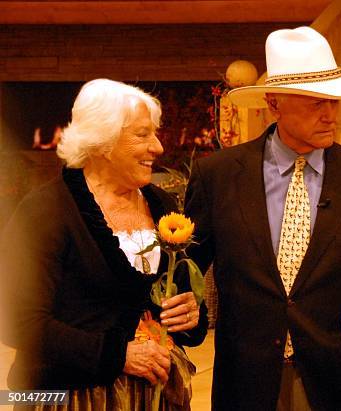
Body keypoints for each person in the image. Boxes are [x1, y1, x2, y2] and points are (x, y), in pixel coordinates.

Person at [185, 26, 341, 410]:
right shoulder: (218, 176)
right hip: (245, 385)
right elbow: (187, 272)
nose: (329, 114)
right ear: (274, 104)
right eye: (314, 102)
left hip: (340, 385)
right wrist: (189, 317)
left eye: (333, 101)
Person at [0, 79, 207, 410]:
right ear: (102, 141)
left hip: (155, 397)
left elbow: (174, 300)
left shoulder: (162, 204)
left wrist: (192, 315)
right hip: (70, 398)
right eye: (142, 134)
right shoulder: (45, 210)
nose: (158, 147)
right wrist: (116, 356)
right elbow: (18, 322)